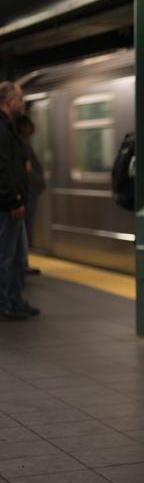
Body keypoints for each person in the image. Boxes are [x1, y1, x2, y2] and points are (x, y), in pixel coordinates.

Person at [0, 82, 39, 321]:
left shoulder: (9, 127)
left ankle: (15, 299)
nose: (22, 104)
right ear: (8, 102)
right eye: (20, 99)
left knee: (17, 255)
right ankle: (4, 303)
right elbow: (3, 169)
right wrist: (13, 199)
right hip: (7, 204)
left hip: (15, 202)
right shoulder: (2, 129)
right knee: (5, 256)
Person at [16, 113, 45, 276]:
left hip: (29, 189)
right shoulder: (22, 144)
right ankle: (22, 263)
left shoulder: (22, 143)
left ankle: (23, 262)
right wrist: (38, 181)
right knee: (25, 227)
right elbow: (27, 169)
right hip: (29, 190)